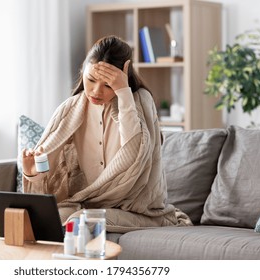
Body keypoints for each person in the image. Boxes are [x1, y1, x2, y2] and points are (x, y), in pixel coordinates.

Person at [22, 35, 192, 233]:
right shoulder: (71, 108)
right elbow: (48, 166)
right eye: (91, 80)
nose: (95, 91)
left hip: (138, 211)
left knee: (80, 221)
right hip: (90, 204)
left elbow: (135, 153)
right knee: (44, 219)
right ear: (83, 71)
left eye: (108, 85)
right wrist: (32, 172)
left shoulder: (140, 101)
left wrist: (123, 92)